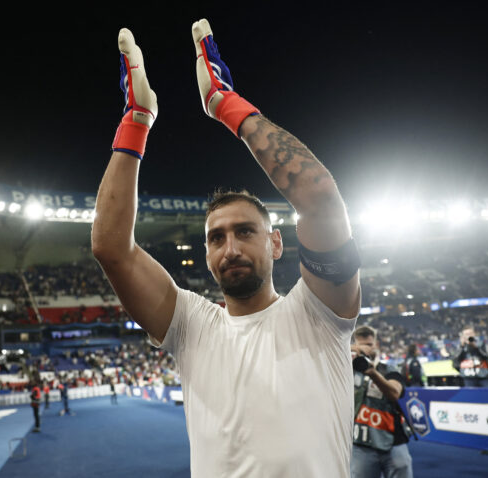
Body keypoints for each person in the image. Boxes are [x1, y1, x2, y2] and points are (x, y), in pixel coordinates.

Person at [92, 19, 361, 478]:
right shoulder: (192, 325)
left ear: (276, 243)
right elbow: (111, 248)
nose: (230, 247)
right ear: (206, 253)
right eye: (216, 238)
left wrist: (225, 103)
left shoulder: (320, 311)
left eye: (245, 231)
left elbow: (318, 195)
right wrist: (136, 121)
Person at [351, 326, 413, 478]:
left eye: (370, 345)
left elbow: (394, 393)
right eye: (362, 345)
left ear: (376, 345)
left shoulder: (388, 369)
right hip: (362, 443)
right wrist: (351, 350)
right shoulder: (347, 370)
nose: (367, 349)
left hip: (393, 441)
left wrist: (373, 373)